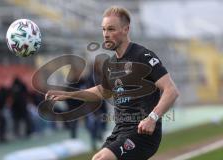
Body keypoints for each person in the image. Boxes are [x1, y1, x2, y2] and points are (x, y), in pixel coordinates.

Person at [46, 6, 179, 160]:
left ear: (125, 29)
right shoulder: (109, 64)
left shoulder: (143, 56)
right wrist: (70, 94)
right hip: (119, 132)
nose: (106, 35)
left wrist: (152, 118)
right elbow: (103, 92)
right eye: (104, 30)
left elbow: (171, 90)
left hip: (143, 133)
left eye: (111, 29)